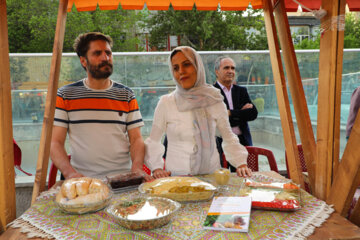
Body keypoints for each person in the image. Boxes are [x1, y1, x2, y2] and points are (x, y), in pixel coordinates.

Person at [50, 32, 151, 180]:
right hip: (82, 180)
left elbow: (136, 139)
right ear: (83, 61)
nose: (106, 58)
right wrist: (70, 173)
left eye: (108, 53)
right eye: (97, 53)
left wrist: (136, 168)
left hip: (122, 178)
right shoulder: (66, 95)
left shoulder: (126, 94)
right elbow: (55, 143)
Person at [144, 46, 252, 178]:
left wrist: (241, 163)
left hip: (211, 177)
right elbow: (154, 141)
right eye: (175, 68)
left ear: (198, 66)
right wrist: (157, 168)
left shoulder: (214, 100)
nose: (181, 72)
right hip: (177, 180)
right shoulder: (166, 102)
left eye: (187, 64)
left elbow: (228, 137)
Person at [213, 56, 258, 172]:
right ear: (217, 72)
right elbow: (217, 118)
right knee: (220, 177)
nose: (230, 71)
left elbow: (253, 114)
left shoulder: (241, 91)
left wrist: (230, 112)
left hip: (242, 141)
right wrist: (241, 113)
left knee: (241, 176)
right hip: (220, 141)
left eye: (233, 68)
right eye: (226, 68)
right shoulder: (212, 92)